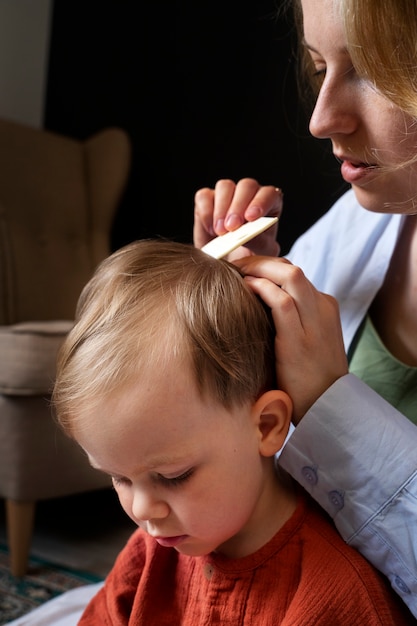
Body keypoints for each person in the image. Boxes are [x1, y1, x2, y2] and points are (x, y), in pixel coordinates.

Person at [50, 239, 413, 624]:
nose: (141, 510)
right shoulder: (150, 553)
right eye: (119, 477)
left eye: (174, 476)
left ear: (267, 425)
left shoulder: (336, 596)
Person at [193, 0, 417, 618]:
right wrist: (242, 306)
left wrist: (329, 398)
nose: (322, 119)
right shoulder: (358, 223)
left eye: (375, 70)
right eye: (320, 69)